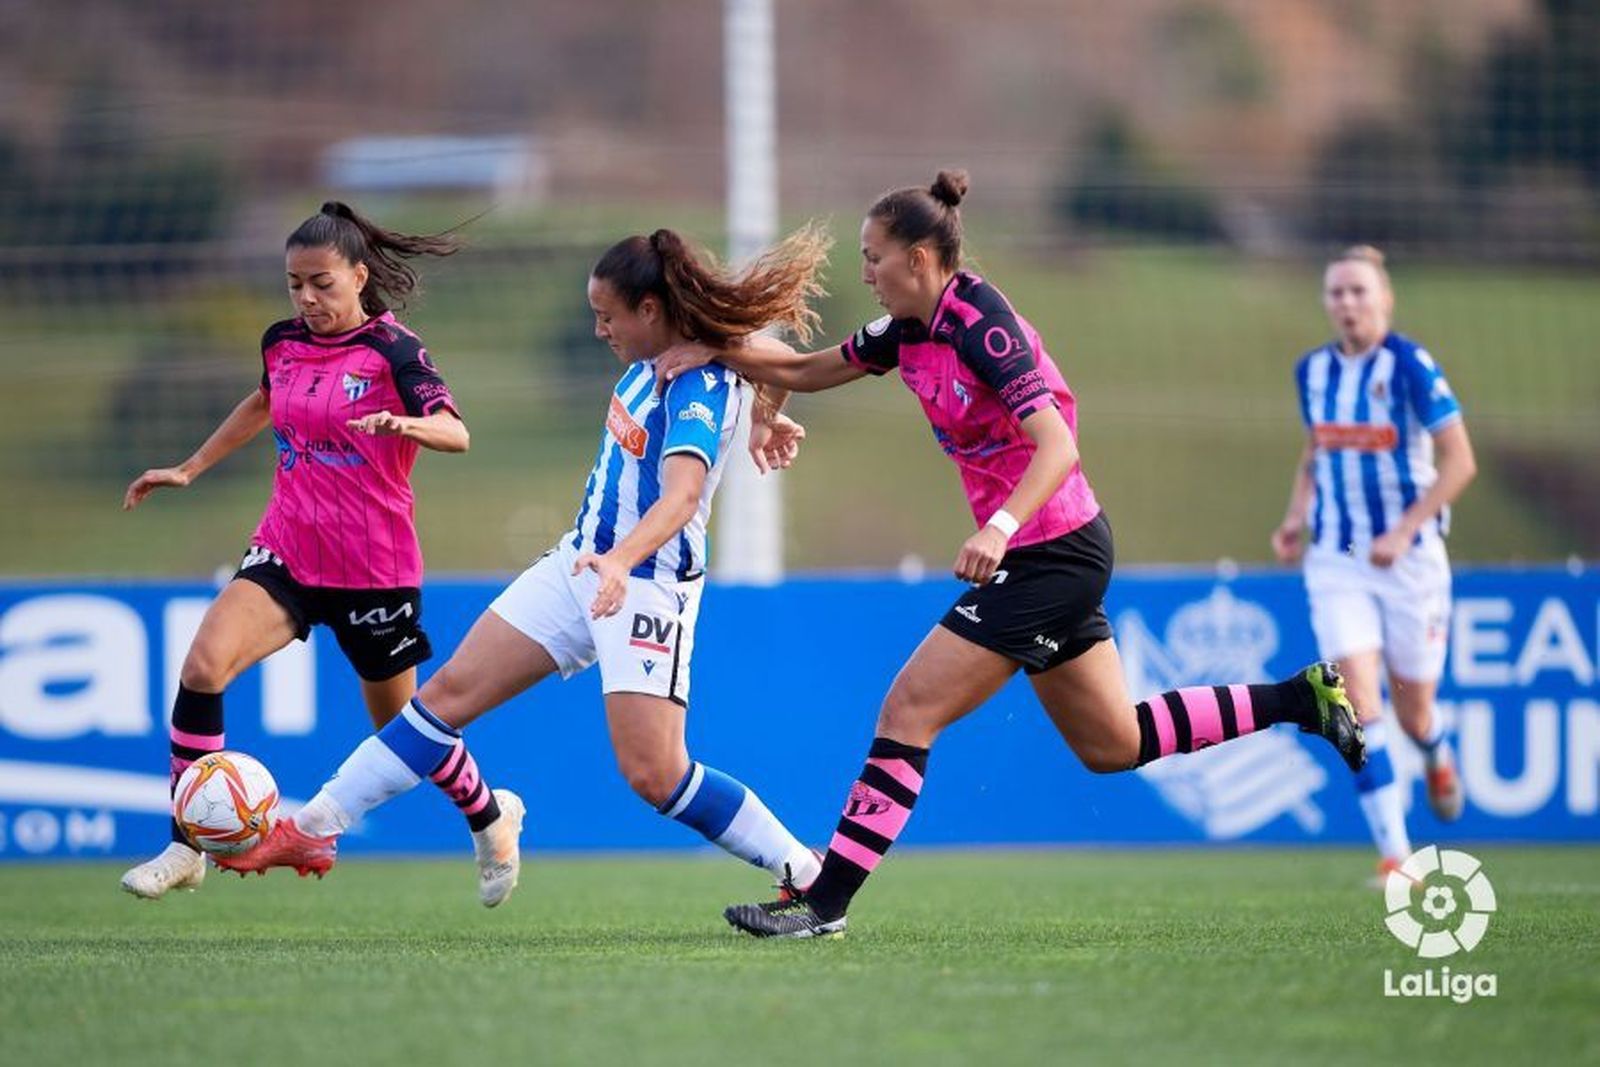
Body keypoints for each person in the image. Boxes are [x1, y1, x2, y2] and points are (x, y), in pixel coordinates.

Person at [657, 170, 1367, 939]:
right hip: (1049, 554)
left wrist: (997, 527)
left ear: (921, 259)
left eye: (874, 257)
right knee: (1112, 743)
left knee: (908, 709)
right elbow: (804, 368)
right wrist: (714, 351)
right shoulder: (908, 332)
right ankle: (1302, 698)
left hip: (1048, 552)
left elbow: (1057, 445)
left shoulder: (979, 326)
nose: (865, 273)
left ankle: (824, 901)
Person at [213, 226, 825, 901]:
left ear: (649, 310)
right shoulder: (668, 356)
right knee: (441, 699)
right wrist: (767, 411)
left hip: (644, 589)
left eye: (607, 316)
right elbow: (770, 353)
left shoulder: (696, 385)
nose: (599, 331)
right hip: (579, 566)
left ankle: (803, 869)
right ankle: (314, 824)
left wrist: (623, 559)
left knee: (657, 774)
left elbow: (681, 495)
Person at [117, 201, 521, 904]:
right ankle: (186, 845)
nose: (307, 298)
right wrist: (190, 465)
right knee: (203, 665)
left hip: (373, 569)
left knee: (402, 733)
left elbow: (457, 432)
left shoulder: (396, 350)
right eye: (295, 283)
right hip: (288, 550)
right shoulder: (282, 341)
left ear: (360, 277)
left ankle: (492, 816)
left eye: (322, 283)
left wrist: (407, 423)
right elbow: (264, 401)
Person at [1271, 244, 1476, 883]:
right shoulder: (1313, 371)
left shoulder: (1411, 367)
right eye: (1336, 293)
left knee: (1415, 716)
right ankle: (1397, 857)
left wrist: (1407, 528)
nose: (1347, 303)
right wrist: (1295, 517)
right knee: (1358, 704)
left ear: (1384, 298)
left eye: (1359, 291)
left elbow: (1460, 462)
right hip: (1340, 556)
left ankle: (1436, 752)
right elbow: (1316, 452)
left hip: (1410, 562)